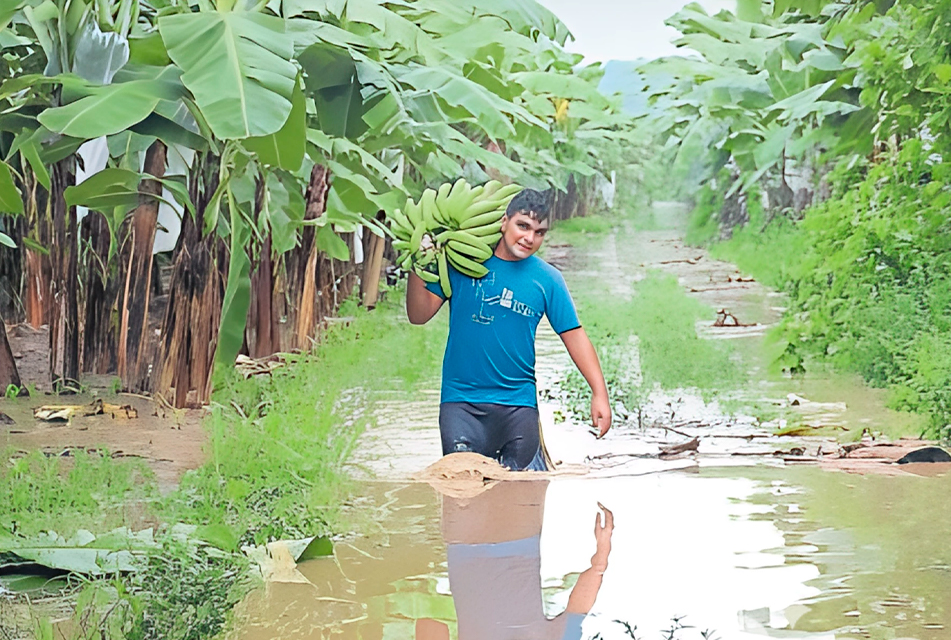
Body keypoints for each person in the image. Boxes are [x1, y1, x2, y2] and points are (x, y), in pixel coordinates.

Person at [406, 188, 611, 471]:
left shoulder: (548, 280)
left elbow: (573, 335)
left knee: (519, 499)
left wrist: (599, 393)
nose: (530, 238)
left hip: (518, 407)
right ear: (505, 222)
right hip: (461, 405)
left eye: (539, 232)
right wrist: (417, 265)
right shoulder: (464, 264)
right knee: (461, 498)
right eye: (523, 226)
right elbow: (418, 315)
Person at [416, 479, 614, 640]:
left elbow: (577, 611)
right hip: (470, 542)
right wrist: (599, 562)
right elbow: (429, 626)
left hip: (514, 533)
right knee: (466, 459)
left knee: (513, 464)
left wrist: (600, 560)